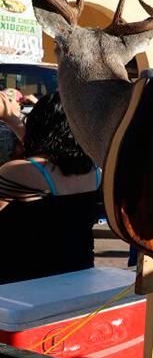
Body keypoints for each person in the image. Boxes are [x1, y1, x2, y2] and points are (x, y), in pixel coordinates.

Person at [0, 91, 102, 284]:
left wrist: (11, 118)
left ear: (39, 124)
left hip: (21, 285)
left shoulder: (17, 173)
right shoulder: (94, 172)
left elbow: (37, 161)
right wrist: (14, 121)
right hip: (76, 276)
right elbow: (47, 156)